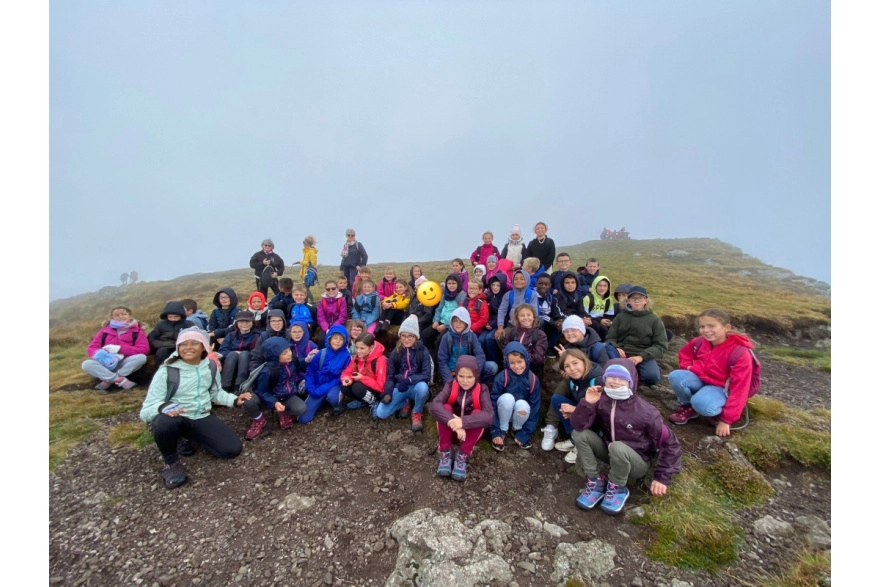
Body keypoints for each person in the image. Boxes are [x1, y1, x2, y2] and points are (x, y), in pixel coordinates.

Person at [139, 327, 248, 489]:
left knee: (232, 450)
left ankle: (187, 437)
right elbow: (145, 411)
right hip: (174, 418)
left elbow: (215, 393)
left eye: (194, 343)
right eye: (183, 344)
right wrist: (164, 407)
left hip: (201, 415)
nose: (188, 347)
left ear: (203, 346)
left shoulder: (210, 366)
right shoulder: (167, 371)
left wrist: (234, 400)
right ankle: (171, 463)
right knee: (164, 422)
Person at [570, 360, 682, 515]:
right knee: (579, 434)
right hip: (611, 453)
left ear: (631, 381)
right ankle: (596, 481)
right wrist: (587, 403)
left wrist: (662, 477)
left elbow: (670, 442)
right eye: (611, 377)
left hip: (636, 463)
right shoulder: (601, 401)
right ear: (604, 379)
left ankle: (618, 487)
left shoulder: (645, 411)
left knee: (618, 447)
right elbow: (578, 426)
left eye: (622, 378)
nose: (616, 382)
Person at [667, 308, 758, 437]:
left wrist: (726, 420)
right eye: (702, 326)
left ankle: (715, 410)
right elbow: (685, 355)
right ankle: (688, 407)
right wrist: (688, 367)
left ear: (726, 327)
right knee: (676, 376)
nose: (706, 330)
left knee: (703, 405)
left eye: (711, 326)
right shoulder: (699, 342)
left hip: (722, 388)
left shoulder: (740, 353)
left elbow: (740, 388)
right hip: (702, 379)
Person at [430, 355, 494, 481]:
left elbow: (489, 416)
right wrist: (452, 420)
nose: (465, 381)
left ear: (476, 376)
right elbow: (434, 405)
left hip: (469, 435)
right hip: (450, 430)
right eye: (461, 376)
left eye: (469, 377)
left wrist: (463, 422)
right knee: (445, 408)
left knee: (478, 412)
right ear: (456, 375)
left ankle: (463, 454)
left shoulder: (482, 390)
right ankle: (445, 453)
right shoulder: (450, 385)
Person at [542, 348, 603, 460]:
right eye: (567, 366)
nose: (572, 369)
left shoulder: (597, 381)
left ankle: (583, 444)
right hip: (583, 415)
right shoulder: (573, 379)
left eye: (575, 363)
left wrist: (576, 410)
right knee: (557, 400)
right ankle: (575, 438)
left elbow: (602, 412)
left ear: (584, 361)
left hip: (597, 424)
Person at [241, 337, 308, 439]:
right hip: (270, 396)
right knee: (248, 401)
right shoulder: (267, 371)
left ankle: (283, 412)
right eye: (284, 353)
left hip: (287, 395)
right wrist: (274, 402)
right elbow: (261, 391)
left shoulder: (292, 360)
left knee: (301, 409)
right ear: (274, 356)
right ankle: (259, 419)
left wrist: (307, 360)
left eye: (289, 350)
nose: (289, 354)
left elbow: (299, 366)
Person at [376, 315, 432, 432]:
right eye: (403, 336)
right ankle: (404, 402)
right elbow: (390, 376)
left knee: (423, 388)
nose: (407, 339)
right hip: (400, 387)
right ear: (400, 336)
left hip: (416, 385)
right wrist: (388, 393)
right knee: (381, 413)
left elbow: (426, 374)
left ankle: (417, 411)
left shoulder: (423, 351)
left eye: (410, 336)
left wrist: (410, 380)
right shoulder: (395, 353)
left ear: (416, 337)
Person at [604, 286, 668, 386]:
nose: (636, 301)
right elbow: (610, 337)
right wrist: (616, 347)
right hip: (622, 353)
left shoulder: (654, 320)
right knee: (606, 350)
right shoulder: (620, 317)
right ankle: (630, 371)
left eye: (640, 298)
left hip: (643, 355)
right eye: (633, 298)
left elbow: (661, 345)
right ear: (628, 300)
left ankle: (638, 370)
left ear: (646, 300)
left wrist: (641, 357)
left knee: (652, 378)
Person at [82, 306, 150, 390]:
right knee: (86, 364)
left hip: (124, 362)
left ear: (130, 316)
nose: (120, 317)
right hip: (106, 363)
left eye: (124, 314)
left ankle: (109, 379)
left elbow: (144, 349)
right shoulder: (104, 331)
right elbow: (91, 348)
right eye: (117, 315)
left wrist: (119, 349)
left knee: (141, 358)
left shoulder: (138, 331)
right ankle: (119, 380)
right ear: (112, 317)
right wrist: (103, 355)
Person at [489, 341, 542, 451]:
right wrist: (495, 430)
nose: (517, 366)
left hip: (520, 414)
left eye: (520, 361)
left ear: (526, 359)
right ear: (507, 362)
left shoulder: (533, 380)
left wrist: (526, 433)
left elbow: (535, 407)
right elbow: (492, 403)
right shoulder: (502, 377)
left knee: (522, 404)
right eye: (512, 363)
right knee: (507, 398)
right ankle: (502, 429)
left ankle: (517, 429)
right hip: (503, 413)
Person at [300, 325, 351, 423]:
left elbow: (343, 375)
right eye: (335, 338)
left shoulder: (346, 356)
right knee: (303, 418)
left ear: (345, 341)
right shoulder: (322, 353)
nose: (337, 341)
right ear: (329, 338)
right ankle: (320, 400)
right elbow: (310, 371)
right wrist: (311, 388)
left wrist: (322, 389)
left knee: (333, 397)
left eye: (341, 339)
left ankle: (336, 405)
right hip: (318, 384)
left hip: (334, 384)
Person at [437, 308, 498, 385]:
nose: (458, 324)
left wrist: (473, 374)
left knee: (492, 367)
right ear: (451, 322)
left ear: (467, 322)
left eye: (461, 321)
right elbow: (442, 361)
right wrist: (449, 381)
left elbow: (480, 356)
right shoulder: (446, 337)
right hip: (453, 373)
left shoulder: (471, 336)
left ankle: (477, 385)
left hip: (469, 371)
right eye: (455, 321)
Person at [497, 304, 548, 377]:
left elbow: (539, 357)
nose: (526, 318)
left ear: (533, 317)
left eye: (528, 315)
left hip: (530, 371)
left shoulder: (540, 335)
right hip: (512, 368)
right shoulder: (512, 332)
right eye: (522, 315)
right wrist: (513, 360)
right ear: (517, 318)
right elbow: (505, 348)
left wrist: (519, 359)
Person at [340, 332, 387, 410]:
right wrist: (347, 379)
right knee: (344, 388)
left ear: (371, 348)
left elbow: (381, 386)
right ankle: (363, 401)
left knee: (357, 387)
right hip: (364, 385)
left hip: (376, 390)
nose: (358, 351)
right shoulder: (357, 357)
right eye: (357, 347)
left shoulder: (380, 360)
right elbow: (347, 371)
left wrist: (362, 378)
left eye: (362, 348)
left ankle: (375, 403)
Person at [216, 311, 259, 391]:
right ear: (237, 323)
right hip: (230, 362)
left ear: (252, 322)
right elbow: (222, 351)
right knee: (233, 354)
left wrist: (243, 353)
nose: (244, 324)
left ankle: (240, 386)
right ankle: (225, 386)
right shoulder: (231, 335)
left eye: (247, 321)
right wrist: (235, 353)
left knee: (244, 354)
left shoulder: (257, 336)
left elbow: (257, 353)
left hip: (248, 362)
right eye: (241, 322)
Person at [423, 274, 466, 348]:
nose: (451, 285)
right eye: (449, 283)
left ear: (458, 284)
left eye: (454, 283)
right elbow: (439, 309)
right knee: (424, 334)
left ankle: (438, 358)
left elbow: (459, 315)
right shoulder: (445, 294)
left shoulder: (461, 295)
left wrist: (446, 325)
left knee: (441, 340)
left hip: (452, 324)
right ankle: (427, 354)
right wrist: (436, 321)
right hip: (440, 321)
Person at [148, 301, 194, 366]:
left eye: (176, 316)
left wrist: (181, 344)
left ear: (181, 315)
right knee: (161, 353)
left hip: (183, 346)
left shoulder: (188, 324)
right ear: (166, 316)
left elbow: (194, 337)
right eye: (170, 317)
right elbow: (152, 339)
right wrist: (166, 344)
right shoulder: (160, 325)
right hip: (165, 347)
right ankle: (161, 371)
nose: (173, 319)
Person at [534, 273, 565, 354]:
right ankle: (539, 346)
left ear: (550, 285)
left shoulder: (551, 298)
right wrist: (553, 322)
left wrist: (560, 321)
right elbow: (536, 314)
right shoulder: (532, 296)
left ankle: (549, 347)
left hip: (549, 323)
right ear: (536, 283)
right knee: (539, 321)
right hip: (537, 322)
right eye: (540, 284)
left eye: (546, 284)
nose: (543, 286)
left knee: (563, 323)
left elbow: (557, 313)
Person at [316, 280, 348, 346]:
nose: (331, 291)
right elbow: (320, 317)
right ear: (325, 290)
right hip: (325, 326)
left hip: (339, 324)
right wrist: (326, 328)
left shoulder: (342, 301)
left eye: (333, 288)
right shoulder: (322, 302)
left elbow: (343, 316)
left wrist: (333, 327)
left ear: (337, 289)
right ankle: (322, 354)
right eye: (328, 289)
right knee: (322, 339)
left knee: (339, 340)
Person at [583, 276, 615, 341]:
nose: (602, 288)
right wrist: (600, 321)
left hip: (602, 320)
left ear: (608, 288)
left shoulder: (609, 300)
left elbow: (610, 315)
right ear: (595, 286)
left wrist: (608, 321)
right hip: (590, 320)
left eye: (605, 286)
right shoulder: (588, 298)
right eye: (599, 285)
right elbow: (585, 315)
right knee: (600, 328)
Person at [294, 235, 318, 303]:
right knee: (305, 288)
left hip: (309, 273)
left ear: (307, 244)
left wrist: (300, 262)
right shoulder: (306, 251)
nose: (303, 244)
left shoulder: (311, 252)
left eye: (304, 243)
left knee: (305, 288)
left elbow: (313, 262)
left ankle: (312, 301)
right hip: (305, 273)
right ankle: (306, 301)